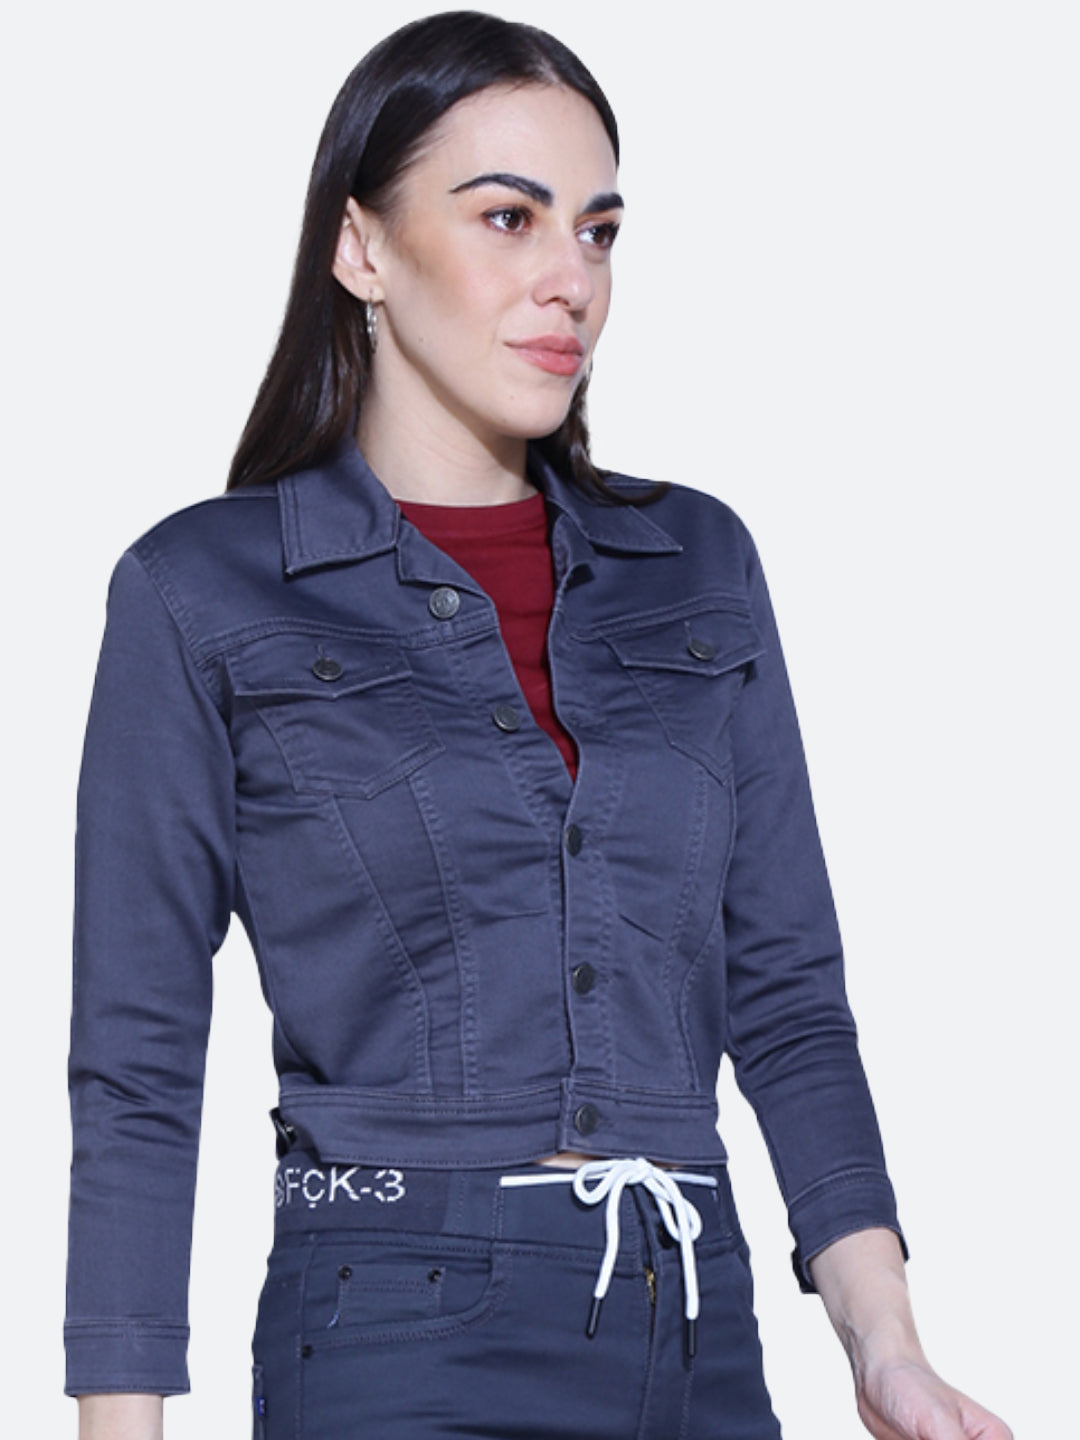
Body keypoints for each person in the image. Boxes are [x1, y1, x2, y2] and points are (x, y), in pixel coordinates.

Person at [65, 12, 1012, 1439]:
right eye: (508, 218)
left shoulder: (699, 563)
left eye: (599, 230)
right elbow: (139, 1061)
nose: (570, 278)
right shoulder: (202, 588)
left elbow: (788, 996)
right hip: (396, 1332)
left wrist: (886, 1344)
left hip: (695, 1325)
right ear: (361, 248)